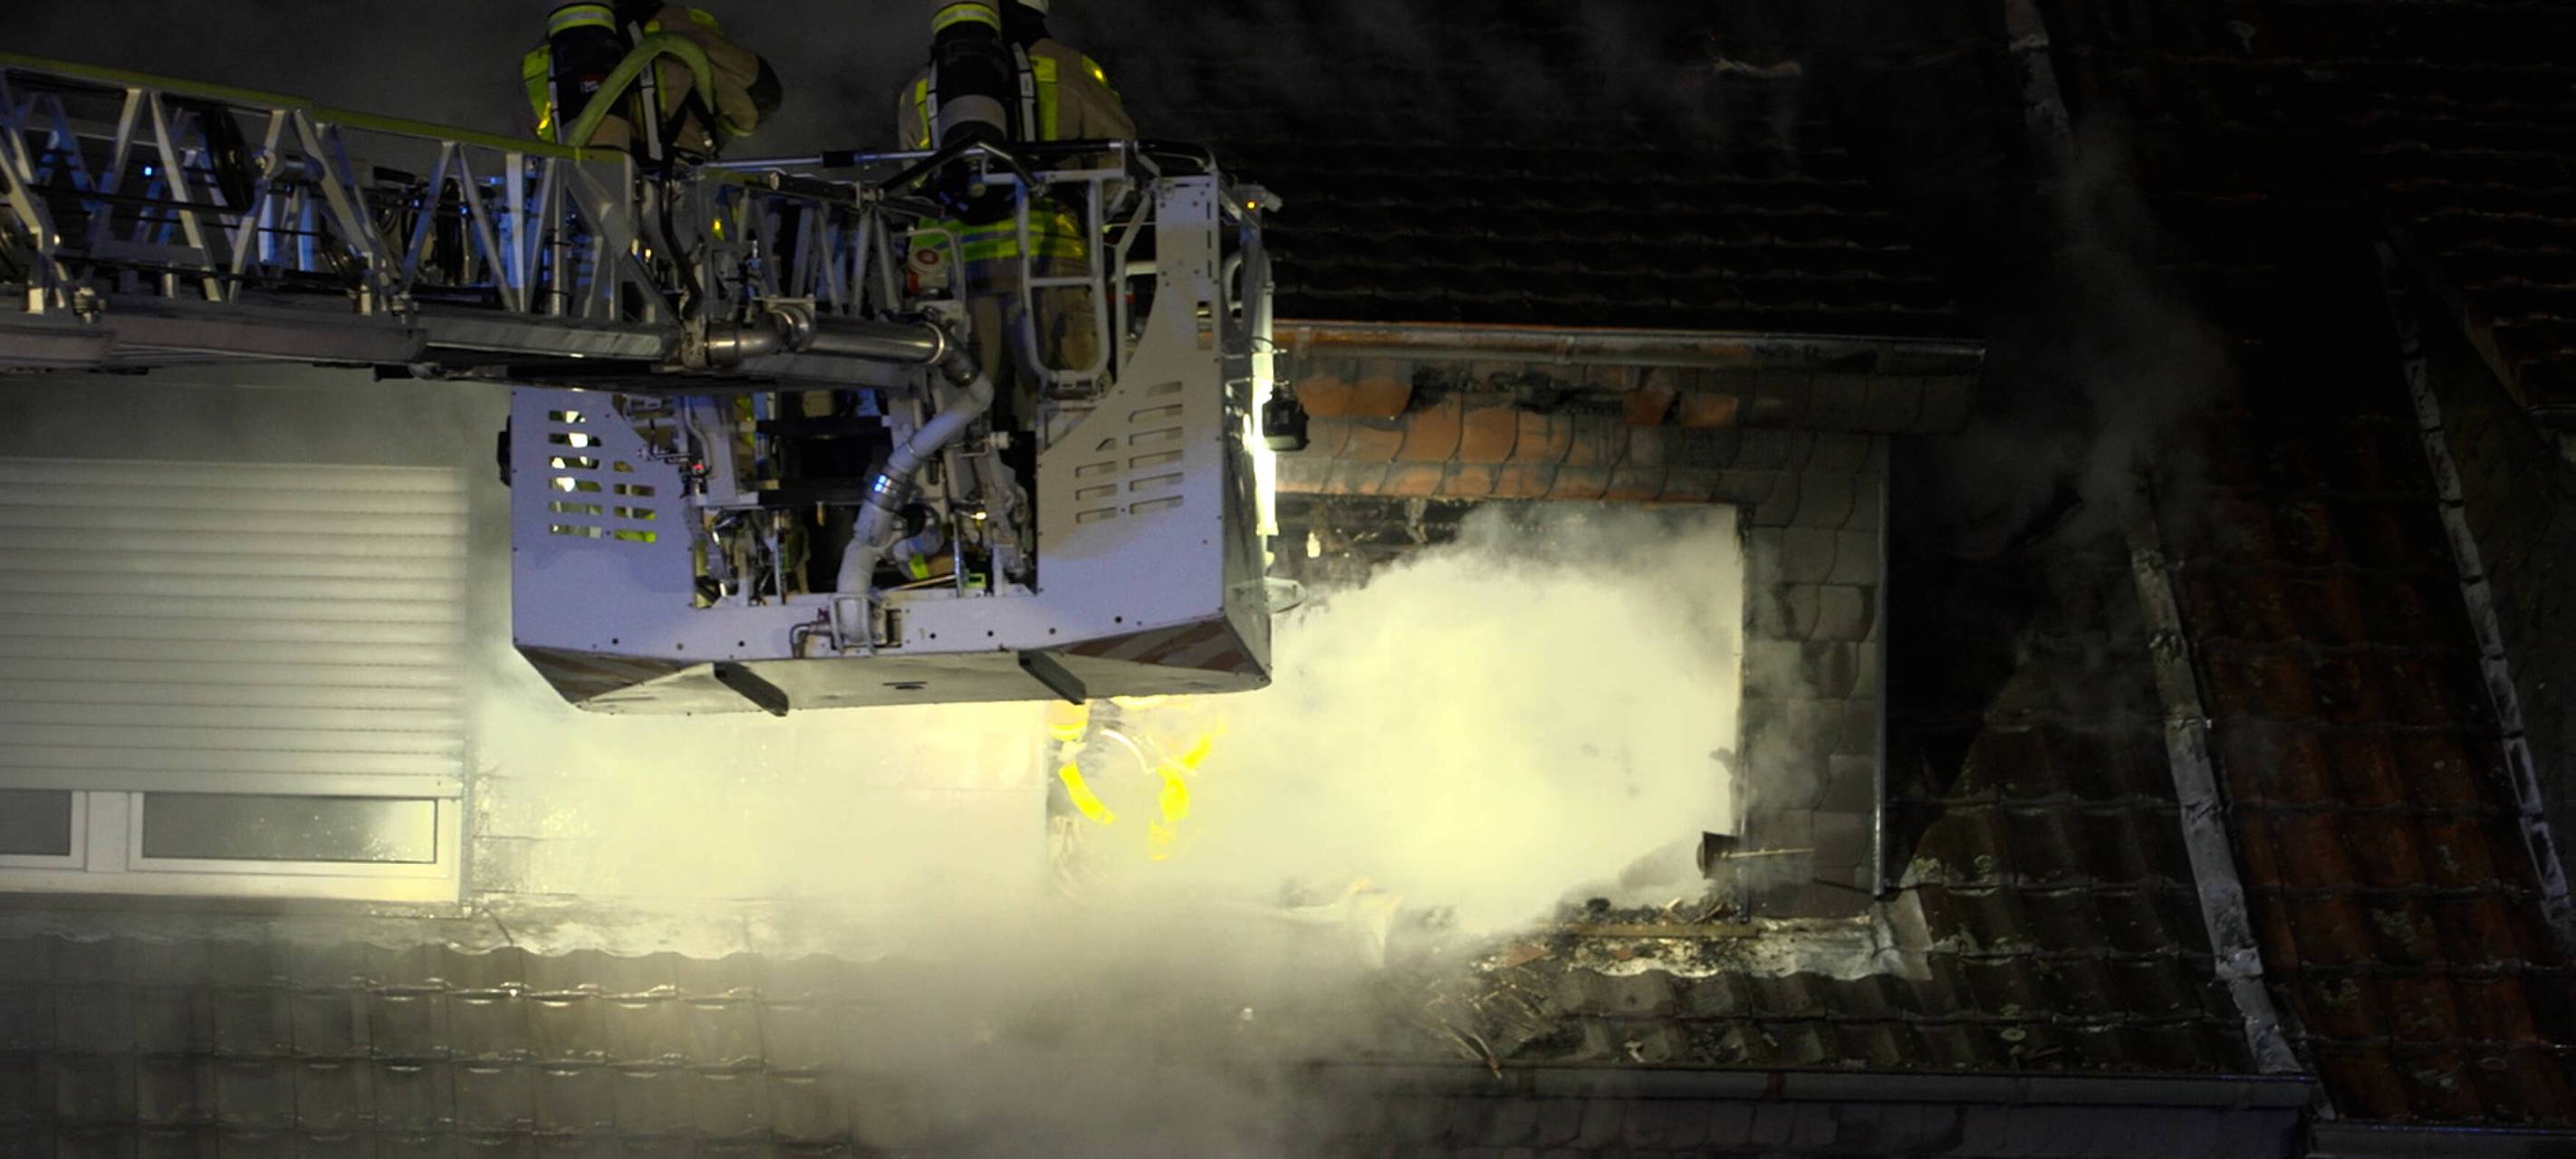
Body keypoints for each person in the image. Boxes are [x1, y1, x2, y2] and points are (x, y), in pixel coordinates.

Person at [897, 0, 1134, 426]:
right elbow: (1119, 161)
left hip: (950, 276)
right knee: (1069, 411)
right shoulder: (1069, 68)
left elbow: (914, 180)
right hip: (1048, 262)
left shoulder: (921, 85)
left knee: (961, 414)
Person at [523, 1, 783, 161]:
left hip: (580, 220)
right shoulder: (678, 26)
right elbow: (757, 99)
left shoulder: (546, 55)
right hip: (678, 210)